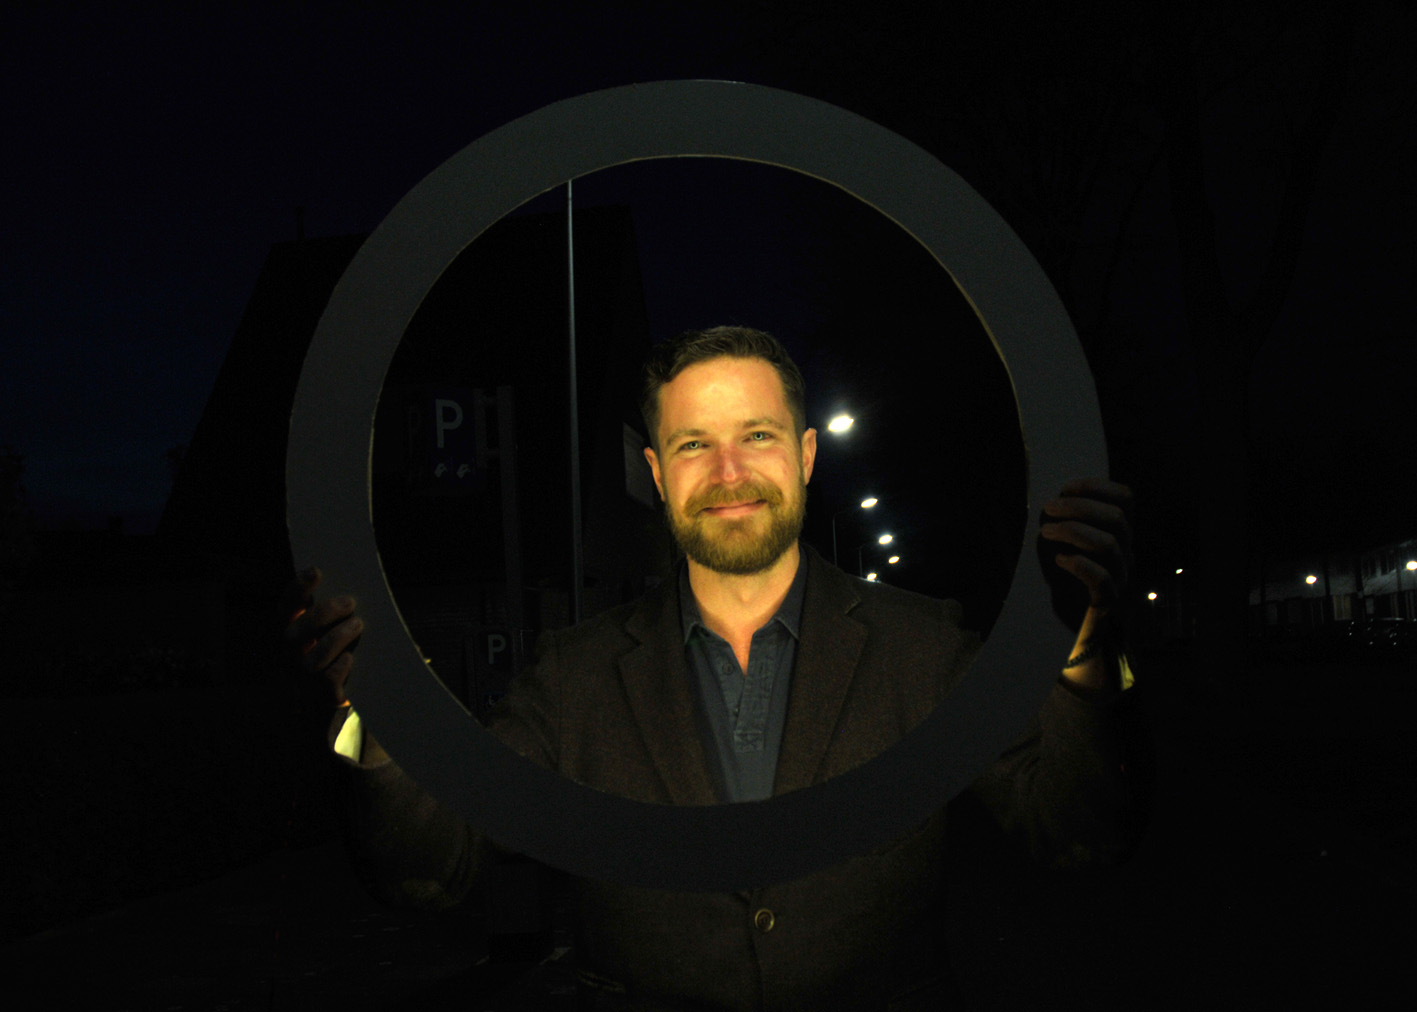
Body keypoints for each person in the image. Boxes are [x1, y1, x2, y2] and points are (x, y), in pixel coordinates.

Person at [286, 326, 1143, 1009]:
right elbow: (431, 872)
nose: (729, 474)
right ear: (656, 473)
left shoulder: (920, 646)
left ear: (805, 455)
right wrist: (383, 719)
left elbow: (1075, 832)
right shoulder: (574, 677)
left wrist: (1085, 646)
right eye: (694, 444)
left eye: (756, 436)